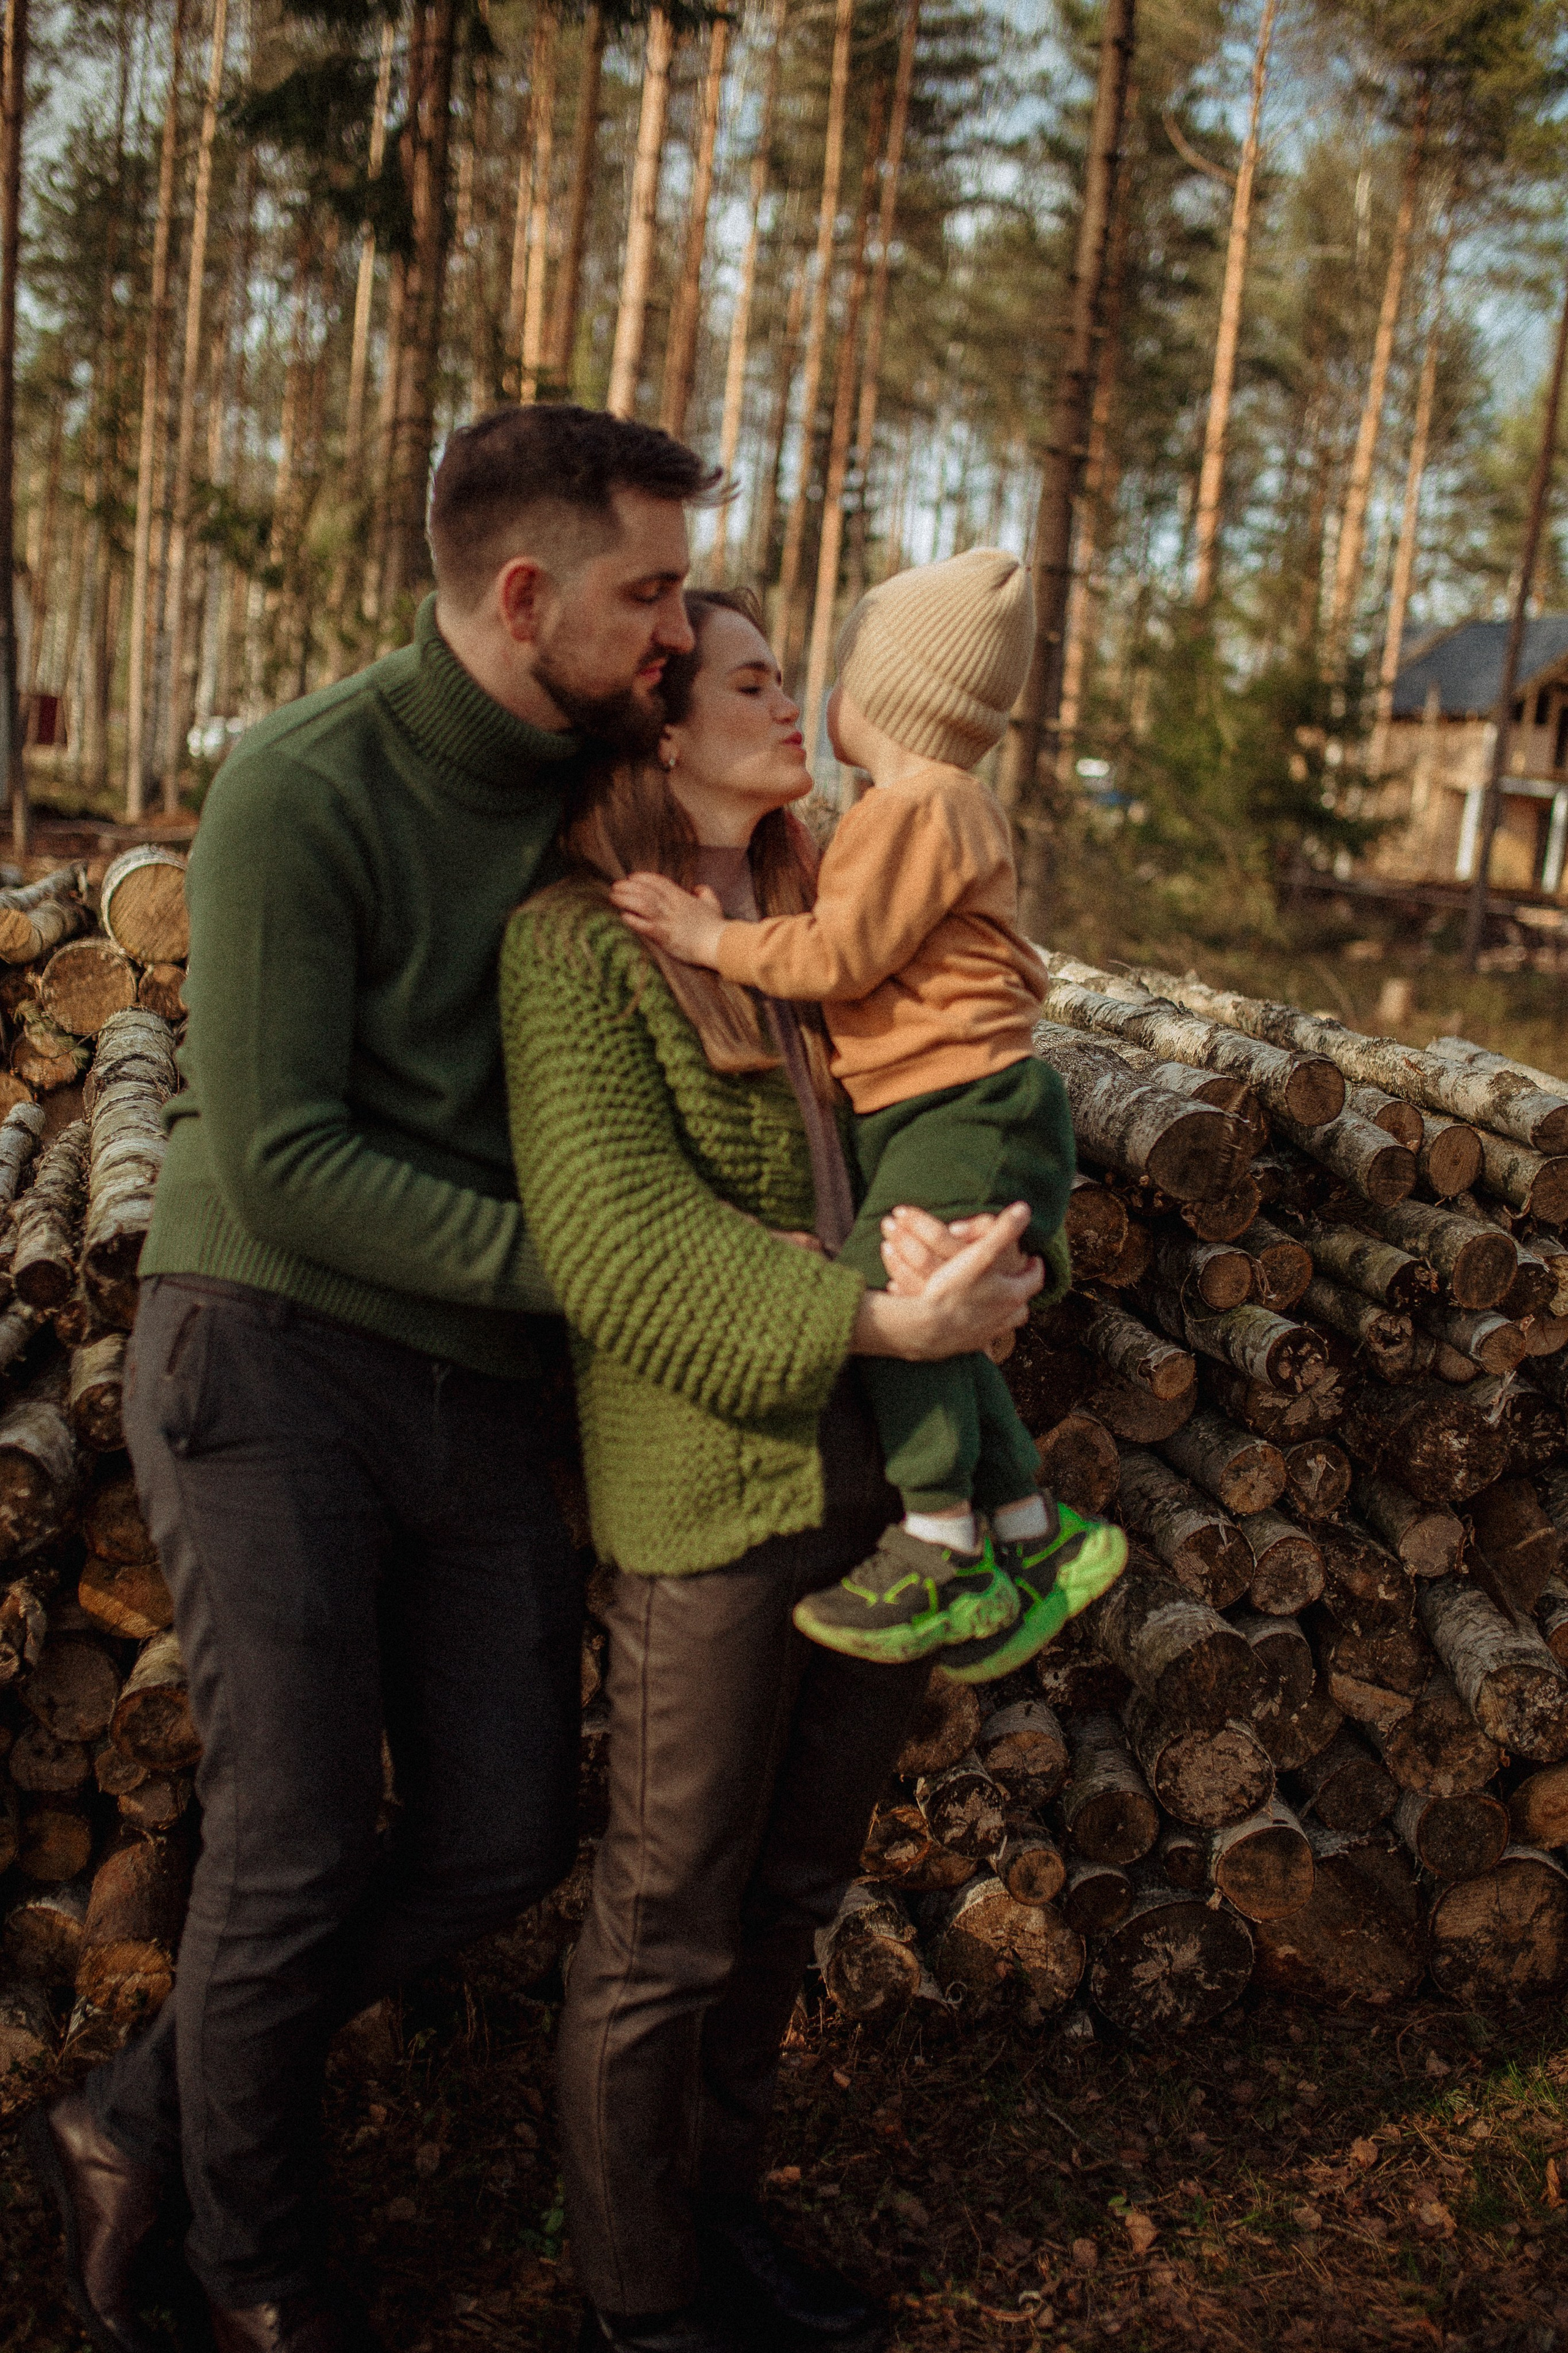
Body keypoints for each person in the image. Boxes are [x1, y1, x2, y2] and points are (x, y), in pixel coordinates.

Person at [23, 404, 725, 2353]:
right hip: (275, 1357)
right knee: (300, 1833)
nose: (677, 628)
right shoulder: (300, 787)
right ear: (526, 594)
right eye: (646, 591)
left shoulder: (606, 777)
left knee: (502, 1834)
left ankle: (131, 2114)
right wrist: (599, 1280)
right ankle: (262, 2269)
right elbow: (292, 1155)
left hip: (486, 1388)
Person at [500, 587, 1044, 2353]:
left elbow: (946, 1115)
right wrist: (886, 1331)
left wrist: (981, 1274)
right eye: (751, 681)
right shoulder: (577, 949)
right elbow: (629, 1248)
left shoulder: (836, 916)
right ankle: (639, 2300)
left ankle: (725, 2230)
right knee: (667, 1915)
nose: (793, 704)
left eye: (798, 675)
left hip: (882, 1482)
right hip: (710, 1483)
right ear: (659, 728)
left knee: (795, 1893)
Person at [613, 548, 1127, 1681]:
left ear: (881, 696)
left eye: (822, 672)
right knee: (923, 1289)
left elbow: (840, 956)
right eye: (756, 686)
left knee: (891, 1289)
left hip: (960, 1105)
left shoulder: (918, 807)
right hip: (944, 1107)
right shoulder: (900, 815)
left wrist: (709, 942)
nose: (803, 700)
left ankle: (942, 1540)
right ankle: (1030, 1533)